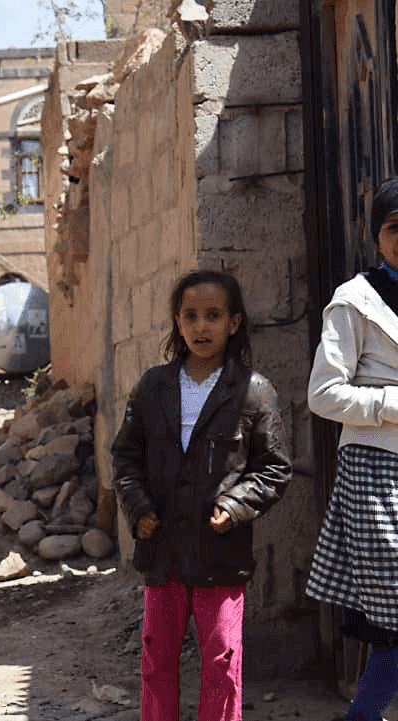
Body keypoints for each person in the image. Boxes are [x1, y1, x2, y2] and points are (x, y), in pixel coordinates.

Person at [111, 269, 291, 721]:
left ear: (234, 323)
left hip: (220, 552)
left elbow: (273, 469)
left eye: (213, 315)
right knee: (156, 661)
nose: (201, 326)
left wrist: (233, 507)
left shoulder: (253, 392)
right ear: (177, 321)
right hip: (163, 550)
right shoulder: (152, 387)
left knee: (221, 661)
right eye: (190, 315)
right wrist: (138, 509)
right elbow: (125, 458)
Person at [307, 178, 398, 721]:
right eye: (394, 229)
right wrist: (392, 404)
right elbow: (323, 394)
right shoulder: (355, 301)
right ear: (376, 236)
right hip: (375, 474)